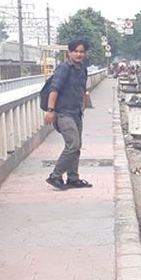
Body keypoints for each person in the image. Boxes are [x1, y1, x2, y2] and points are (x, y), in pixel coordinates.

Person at [44, 40, 92, 190]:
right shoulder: (64, 69)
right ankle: (55, 176)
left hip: (76, 113)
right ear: (70, 53)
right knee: (73, 145)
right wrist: (51, 111)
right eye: (76, 51)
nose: (79, 54)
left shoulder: (83, 69)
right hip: (63, 113)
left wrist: (83, 104)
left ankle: (73, 178)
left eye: (82, 51)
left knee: (77, 146)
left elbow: (83, 89)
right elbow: (54, 90)